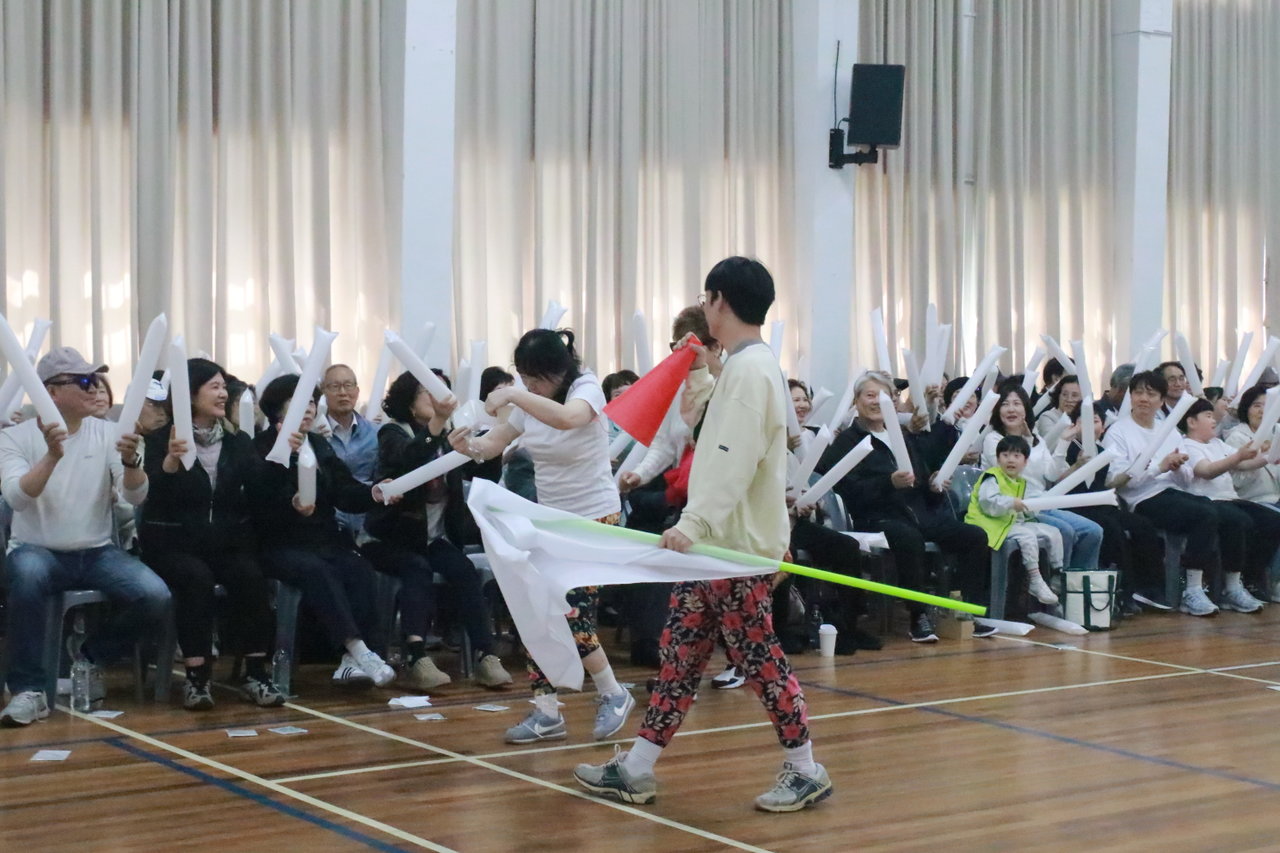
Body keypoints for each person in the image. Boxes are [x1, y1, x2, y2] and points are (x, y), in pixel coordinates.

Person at [573, 256, 832, 812]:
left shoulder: (750, 372)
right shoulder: (743, 367)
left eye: (705, 298)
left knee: (760, 661)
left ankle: (805, 768)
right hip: (716, 549)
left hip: (733, 552)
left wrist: (693, 523)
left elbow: (729, 459)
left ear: (719, 301)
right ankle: (636, 768)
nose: (704, 306)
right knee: (681, 655)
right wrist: (694, 369)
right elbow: (703, 425)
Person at [450, 330, 633, 742]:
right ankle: (547, 711)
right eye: (524, 378)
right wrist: (468, 447)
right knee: (535, 607)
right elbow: (494, 443)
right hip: (550, 522)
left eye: (536, 379)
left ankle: (613, 693)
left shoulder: (586, 388)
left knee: (571, 613)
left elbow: (568, 419)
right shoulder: (529, 401)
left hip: (594, 520)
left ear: (558, 371)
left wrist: (515, 394)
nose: (530, 386)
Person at [0, 348, 171, 726]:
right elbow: (17, 498)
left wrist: (131, 463)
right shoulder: (14, 437)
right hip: (36, 548)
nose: (94, 388)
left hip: (96, 551)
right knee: (26, 576)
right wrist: (52, 456)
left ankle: (90, 657)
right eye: (82, 381)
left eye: (94, 379)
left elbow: (134, 496)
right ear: (50, 392)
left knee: (155, 595)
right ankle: (29, 690)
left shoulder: (109, 433)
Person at [140, 358, 283, 710]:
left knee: (250, 576)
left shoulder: (238, 441)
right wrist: (170, 463)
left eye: (223, 387)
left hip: (224, 542)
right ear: (190, 394)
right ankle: (197, 678)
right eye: (214, 387)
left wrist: (283, 456)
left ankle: (256, 673)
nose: (223, 394)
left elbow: (260, 488)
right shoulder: (160, 439)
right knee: (196, 579)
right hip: (172, 543)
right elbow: (147, 495)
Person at [363, 370, 513, 690]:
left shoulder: (449, 435)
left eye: (443, 391)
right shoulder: (393, 432)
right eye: (429, 392)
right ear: (409, 401)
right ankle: (417, 656)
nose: (439, 399)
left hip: (432, 537)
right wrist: (439, 425)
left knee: (464, 569)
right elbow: (409, 458)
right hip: (389, 538)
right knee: (416, 568)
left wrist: (492, 442)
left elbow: (483, 473)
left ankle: (486, 655)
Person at [819, 370, 993, 637]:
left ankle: (969, 612)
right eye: (870, 395)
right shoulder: (847, 442)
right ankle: (918, 616)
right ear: (856, 401)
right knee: (908, 538)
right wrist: (888, 482)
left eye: (884, 396)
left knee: (975, 536)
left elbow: (920, 478)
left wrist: (934, 484)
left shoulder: (902, 437)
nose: (877, 402)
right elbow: (847, 490)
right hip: (878, 517)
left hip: (920, 513)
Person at [254, 374, 397, 687]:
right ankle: (358, 649)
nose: (307, 409)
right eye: (297, 402)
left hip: (322, 539)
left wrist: (374, 492)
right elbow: (257, 497)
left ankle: (351, 661)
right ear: (278, 410)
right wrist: (289, 496)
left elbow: (343, 490)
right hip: (279, 543)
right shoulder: (262, 446)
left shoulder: (318, 444)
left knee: (358, 568)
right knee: (317, 571)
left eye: (310, 402)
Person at [1104, 371, 1228, 616]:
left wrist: (1178, 466)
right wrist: (1159, 468)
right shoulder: (1118, 431)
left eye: (1151, 394)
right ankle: (1191, 589)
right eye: (1138, 392)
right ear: (1130, 396)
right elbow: (1120, 482)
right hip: (1142, 498)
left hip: (1173, 492)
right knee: (1204, 515)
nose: (1144, 399)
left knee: (1213, 510)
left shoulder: (1168, 430)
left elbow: (1187, 479)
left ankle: (1206, 586)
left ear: (1161, 400)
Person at [1173, 397, 1280, 611]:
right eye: (1208, 416)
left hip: (1230, 499)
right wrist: (1238, 456)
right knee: (1238, 520)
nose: (1214, 420)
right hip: (1207, 500)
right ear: (1191, 422)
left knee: (1272, 520)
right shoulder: (1187, 446)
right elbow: (1206, 470)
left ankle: (1250, 578)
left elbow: (1244, 464)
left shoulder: (1217, 444)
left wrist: (1268, 457)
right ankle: (1229, 587)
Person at [981, 385, 1103, 571]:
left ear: (1025, 409)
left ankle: (1078, 581)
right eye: (1005, 404)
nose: (1011, 409)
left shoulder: (1036, 437)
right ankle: (1058, 579)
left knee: (1093, 531)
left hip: (1042, 503)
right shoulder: (994, 439)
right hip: (1016, 508)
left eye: (1017, 404)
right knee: (1065, 531)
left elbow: (1051, 474)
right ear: (998, 411)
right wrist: (1027, 442)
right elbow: (1012, 472)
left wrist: (1064, 442)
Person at [965, 435, 1064, 606]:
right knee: (1027, 536)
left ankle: (1057, 573)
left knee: (1052, 532)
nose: (1010, 460)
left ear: (1025, 462)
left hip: (1007, 522)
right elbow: (988, 503)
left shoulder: (1020, 481)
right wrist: (1011, 503)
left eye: (1016, 456)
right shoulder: (992, 477)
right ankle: (1035, 579)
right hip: (988, 524)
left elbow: (1021, 508)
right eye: (1005, 455)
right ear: (998, 459)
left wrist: (1029, 509)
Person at [319, 363, 380, 542]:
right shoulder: (315, 436)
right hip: (330, 526)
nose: (343, 392)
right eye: (335, 386)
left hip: (370, 525)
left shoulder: (376, 433)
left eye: (348, 385)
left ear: (357, 391)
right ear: (323, 393)